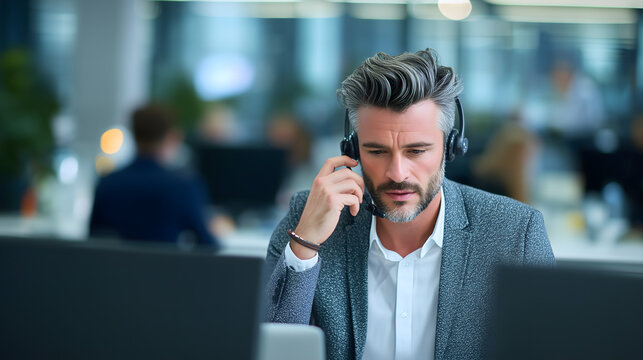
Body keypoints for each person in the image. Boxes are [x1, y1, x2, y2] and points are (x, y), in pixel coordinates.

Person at [264, 49, 555, 360]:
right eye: (377, 151)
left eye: (416, 151)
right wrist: (304, 248)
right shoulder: (305, 218)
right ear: (352, 149)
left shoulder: (516, 234)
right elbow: (269, 350)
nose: (397, 173)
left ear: (450, 147)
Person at [89, 104, 220, 250]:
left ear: (134, 134)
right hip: (168, 271)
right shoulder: (184, 187)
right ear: (172, 136)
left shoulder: (107, 183)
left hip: (117, 271)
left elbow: (93, 241)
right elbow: (209, 246)